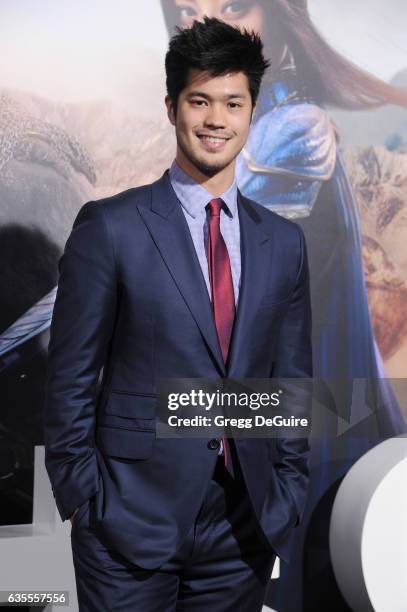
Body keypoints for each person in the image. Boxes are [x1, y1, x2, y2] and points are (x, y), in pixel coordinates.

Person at [43, 17, 312, 611]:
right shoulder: (110, 227)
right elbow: (70, 379)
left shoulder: (284, 244)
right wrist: (85, 503)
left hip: (242, 529)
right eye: (200, 100)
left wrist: (286, 492)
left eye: (233, 103)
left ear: (251, 113)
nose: (217, 119)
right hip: (127, 523)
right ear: (172, 108)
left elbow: (291, 385)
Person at [160, 1, 407, 609]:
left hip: (313, 429)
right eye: (189, 10)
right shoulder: (243, 127)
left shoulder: (292, 130)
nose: (206, 28)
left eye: (233, 5)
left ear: (277, 12)